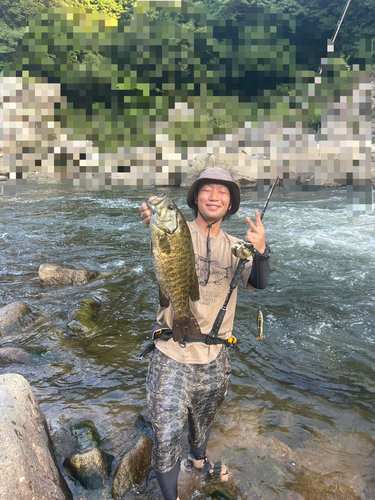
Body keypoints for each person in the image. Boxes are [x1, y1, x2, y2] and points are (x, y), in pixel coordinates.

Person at [140, 168, 270, 500]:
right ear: (196, 198)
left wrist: (261, 250)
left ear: (230, 205)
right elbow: (157, 225)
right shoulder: (176, 231)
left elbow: (258, 283)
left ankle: (198, 460)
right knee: (166, 435)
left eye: (222, 193)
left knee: (202, 423)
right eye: (207, 190)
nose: (214, 196)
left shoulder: (238, 246)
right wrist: (151, 216)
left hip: (215, 356)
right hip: (171, 352)